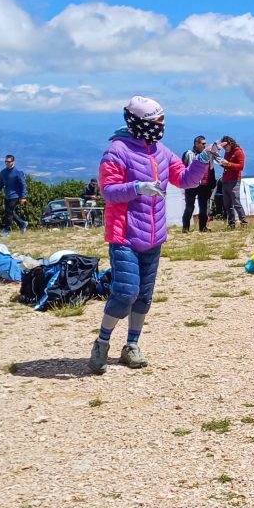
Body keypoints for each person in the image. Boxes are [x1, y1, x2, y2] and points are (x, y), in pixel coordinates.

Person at [89, 96, 212, 373]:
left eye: (162, 121)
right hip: (124, 236)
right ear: (138, 123)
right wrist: (137, 187)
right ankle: (102, 342)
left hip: (153, 237)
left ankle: (131, 345)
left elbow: (185, 180)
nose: (160, 126)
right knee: (124, 294)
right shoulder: (116, 152)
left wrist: (203, 160)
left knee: (143, 297)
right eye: (155, 122)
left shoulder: (162, 152)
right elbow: (108, 192)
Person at [181, 135, 216, 232]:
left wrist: (212, 184)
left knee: (204, 207)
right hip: (191, 185)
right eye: (203, 144)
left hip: (204, 185)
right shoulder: (188, 154)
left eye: (205, 143)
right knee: (189, 206)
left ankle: (203, 227)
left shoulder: (208, 154)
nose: (205, 145)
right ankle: (185, 227)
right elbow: (182, 168)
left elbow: (211, 169)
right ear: (196, 144)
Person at [0, 154, 28, 237]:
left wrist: (23, 197)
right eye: (6, 161)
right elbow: (0, 184)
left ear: (13, 162)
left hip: (16, 196)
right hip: (7, 196)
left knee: (9, 212)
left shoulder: (18, 173)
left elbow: (23, 185)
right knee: (9, 212)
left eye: (9, 161)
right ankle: (22, 223)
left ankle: (6, 230)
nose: (7, 163)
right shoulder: (3, 172)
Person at [218, 135, 247, 228]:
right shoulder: (227, 152)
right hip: (226, 179)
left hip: (234, 180)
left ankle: (244, 222)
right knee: (227, 204)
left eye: (225, 146)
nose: (224, 149)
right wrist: (222, 164)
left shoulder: (239, 152)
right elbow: (227, 166)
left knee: (236, 202)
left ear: (230, 144)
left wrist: (229, 164)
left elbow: (240, 167)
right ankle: (231, 223)